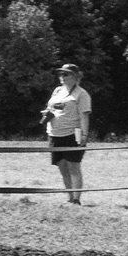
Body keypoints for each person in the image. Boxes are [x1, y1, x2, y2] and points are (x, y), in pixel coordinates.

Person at [40, 63, 92, 203]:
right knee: (62, 167)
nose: (62, 77)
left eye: (66, 74)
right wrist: (47, 113)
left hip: (72, 133)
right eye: (61, 74)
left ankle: (76, 199)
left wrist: (84, 136)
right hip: (54, 134)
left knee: (73, 166)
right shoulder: (57, 90)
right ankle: (69, 198)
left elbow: (84, 116)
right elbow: (51, 107)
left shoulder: (82, 94)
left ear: (75, 76)